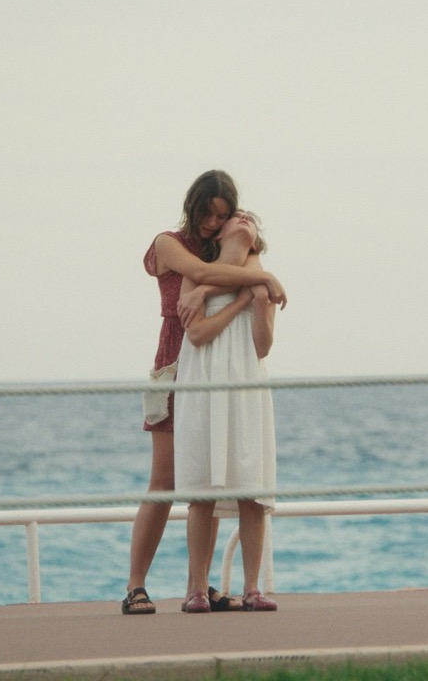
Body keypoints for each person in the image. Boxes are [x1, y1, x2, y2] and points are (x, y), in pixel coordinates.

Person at [123, 172, 286, 616]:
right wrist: (262, 277)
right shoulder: (170, 244)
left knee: (210, 472)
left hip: (219, 364)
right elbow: (199, 273)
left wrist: (253, 272)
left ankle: (199, 584)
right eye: (206, 213)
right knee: (165, 480)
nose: (213, 223)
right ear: (191, 207)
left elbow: (236, 280)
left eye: (221, 215)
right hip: (176, 364)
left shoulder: (228, 249)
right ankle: (136, 585)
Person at [174, 210, 279, 613]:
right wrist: (240, 301)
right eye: (237, 216)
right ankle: (197, 589)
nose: (245, 218)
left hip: (246, 383)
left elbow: (263, 346)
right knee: (202, 491)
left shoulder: (259, 276)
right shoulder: (196, 274)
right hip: (205, 384)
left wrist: (260, 300)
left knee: (252, 489)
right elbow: (197, 334)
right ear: (218, 233)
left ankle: (253, 588)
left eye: (251, 218)